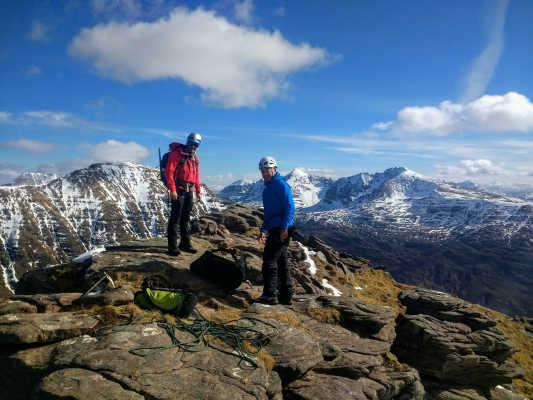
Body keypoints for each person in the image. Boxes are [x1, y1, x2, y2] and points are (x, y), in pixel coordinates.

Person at [255, 156, 296, 305]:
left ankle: (270, 294)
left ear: (275, 169)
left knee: (269, 261)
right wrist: (263, 229)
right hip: (274, 228)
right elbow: (270, 213)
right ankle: (286, 295)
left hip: (281, 229)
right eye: (262, 170)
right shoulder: (269, 187)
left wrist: (285, 227)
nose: (264, 173)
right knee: (281, 262)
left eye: (267, 170)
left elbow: (290, 207)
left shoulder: (280, 184)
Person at [164, 132, 203, 256]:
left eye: (195, 145)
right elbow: (169, 172)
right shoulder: (177, 154)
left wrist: (198, 192)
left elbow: (196, 176)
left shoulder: (195, 158)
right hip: (179, 189)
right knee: (175, 218)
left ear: (198, 146)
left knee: (185, 218)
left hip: (189, 191)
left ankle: (185, 243)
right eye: (190, 144)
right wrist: (172, 189)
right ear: (187, 142)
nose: (192, 147)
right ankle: (172, 246)